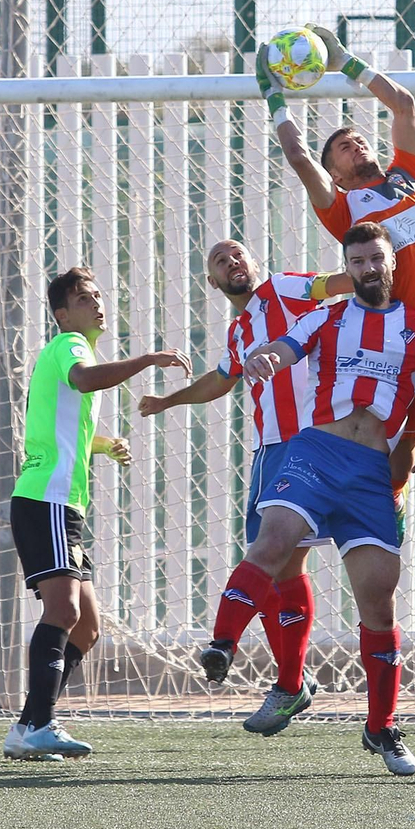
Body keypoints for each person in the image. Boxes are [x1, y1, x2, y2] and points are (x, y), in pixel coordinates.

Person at [198, 223, 415, 776]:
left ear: (391, 264)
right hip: (316, 452)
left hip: (370, 476)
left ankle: (380, 727)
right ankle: (222, 646)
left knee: (378, 601)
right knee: (273, 542)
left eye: (375, 259)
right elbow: (286, 346)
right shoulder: (328, 316)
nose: (368, 269)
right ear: (348, 269)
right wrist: (265, 359)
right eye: (357, 262)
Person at [255, 23, 415, 635]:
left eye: (357, 137)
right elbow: (296, 158)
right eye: (341, 146)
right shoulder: (344, 210)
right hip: (414, 349)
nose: (355, 144)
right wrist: (274, 99)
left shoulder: (411, 176)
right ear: (335, 174)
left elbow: (403, 104)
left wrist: (345, 62)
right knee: (397, 461)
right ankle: (375, 519)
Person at [139, 240, 353, 736]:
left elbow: (334, 285)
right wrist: (166, 402)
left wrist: (377, 278)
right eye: (219, 260)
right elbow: (221, 380)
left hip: (317, 442)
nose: (231, 261)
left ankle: (241, 653)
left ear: (255, 263)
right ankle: (290, 683)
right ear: (212, 283)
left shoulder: (286, 289)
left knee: (285, 560)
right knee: (280, 571)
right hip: (271, 451)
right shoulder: (240, 332)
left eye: (237, 253)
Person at [3, 267, 191, 761]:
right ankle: (40, 723)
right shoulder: (70, 346)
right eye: (85, 298)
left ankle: (28, 725)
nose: (97, 304)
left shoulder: (70, 351)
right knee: (62, 611)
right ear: (63, 314)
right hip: (45, 500)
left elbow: (62, 428)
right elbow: (85, 379)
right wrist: (148, 359)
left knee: (85, 627)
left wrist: (103, 445)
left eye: (99, 296)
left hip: (63, 506)